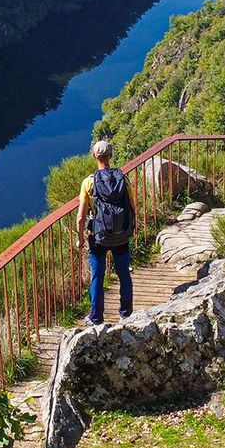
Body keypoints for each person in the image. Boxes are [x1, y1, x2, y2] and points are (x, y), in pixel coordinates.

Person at [76, 139, 136, 326]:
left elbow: (80, 217)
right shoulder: (122, 179)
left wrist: (80, 239)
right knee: (124, 274)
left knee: (97, 276)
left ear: (94, 156)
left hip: (98, 237)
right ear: (110, 156)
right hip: (121, 236)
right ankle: (126, 314)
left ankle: (96, 318)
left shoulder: (89, 183)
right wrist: (131, 229)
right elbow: (133, 207)